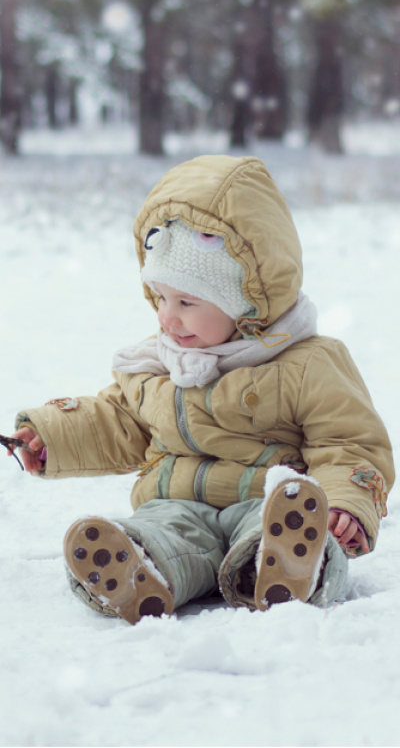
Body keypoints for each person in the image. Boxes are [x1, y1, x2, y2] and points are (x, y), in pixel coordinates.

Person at [11, 155, 394, 624]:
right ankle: (136, 568)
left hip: (268, 503)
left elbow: (348, 442)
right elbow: (117, 418)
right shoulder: (158, 363)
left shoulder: (307, 363)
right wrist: (51, 436)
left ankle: (290, 565)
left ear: (248, 302)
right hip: (177, 505)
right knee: (161, 533)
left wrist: (345, 504)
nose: (167, 318)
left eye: (187, 302)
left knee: (287, 529)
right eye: (161, 297)